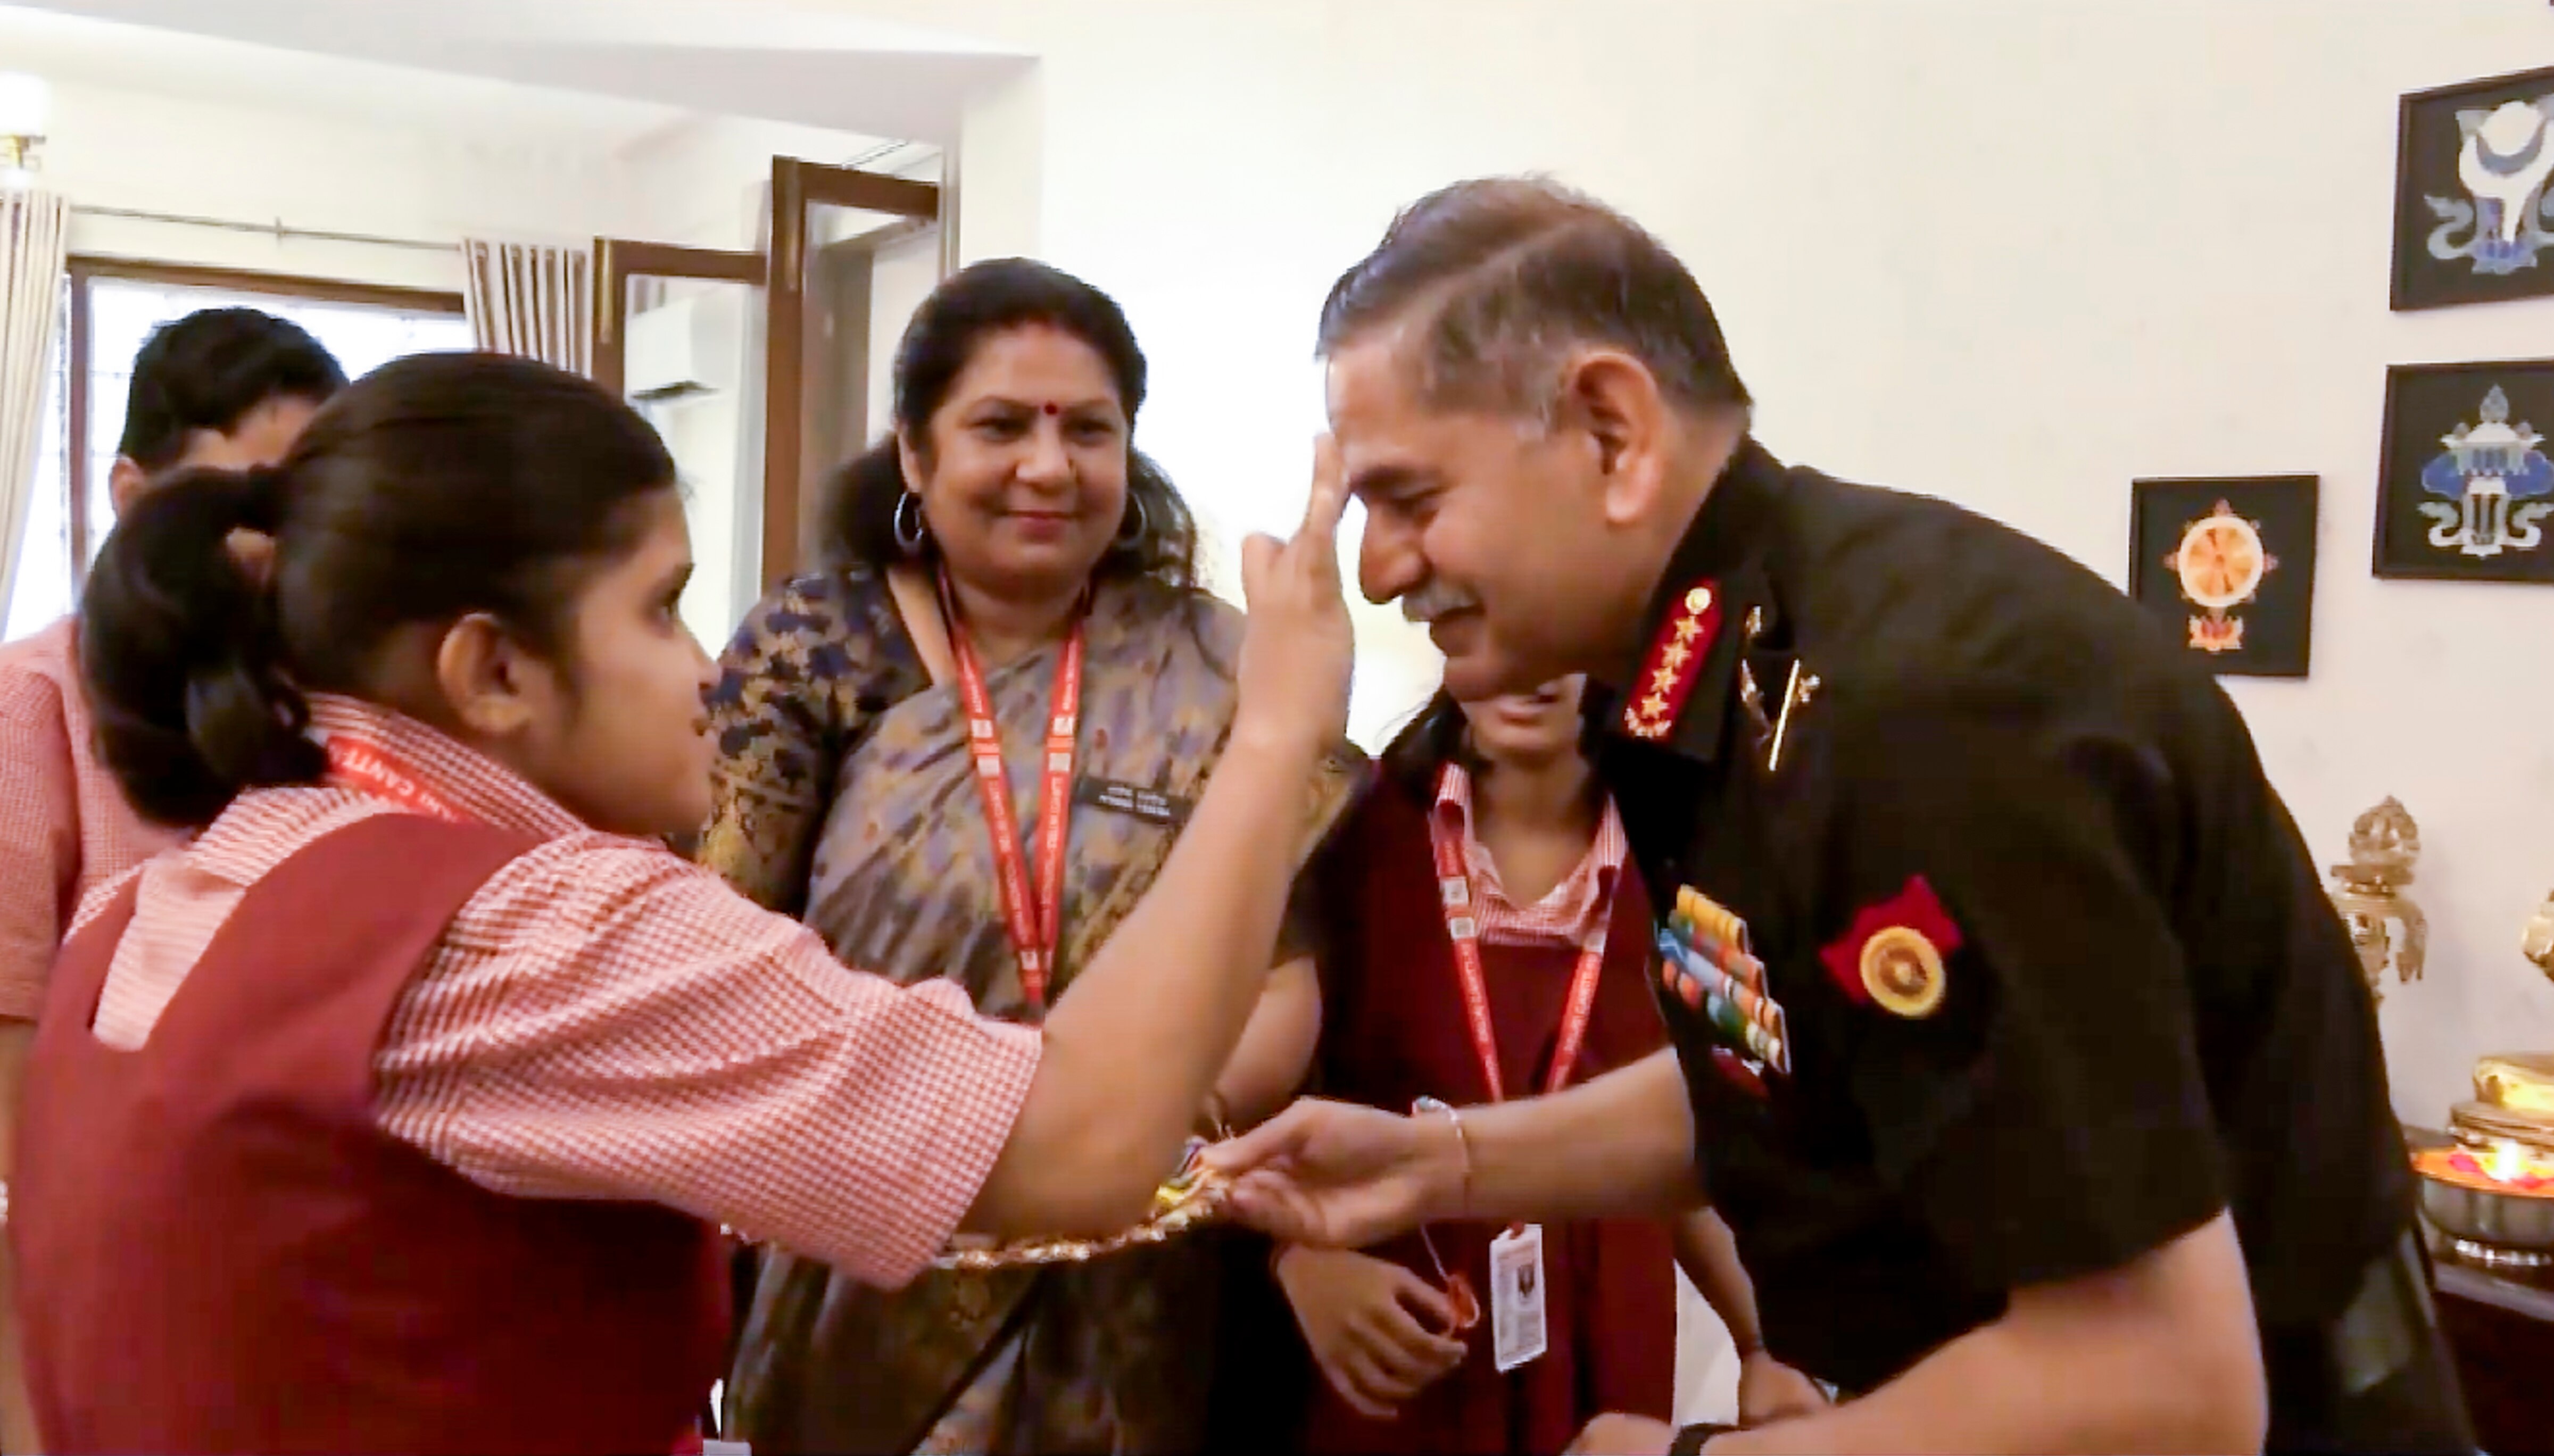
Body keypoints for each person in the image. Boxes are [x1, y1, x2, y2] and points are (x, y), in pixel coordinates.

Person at [1205, 177, 2473, 1456]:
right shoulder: (1722, 677)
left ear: (1609, 433)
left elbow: (2161, 1391)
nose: (1375, 568)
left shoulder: (1910, 723)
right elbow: (1790, 1072)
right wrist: (1446, 1164)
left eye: (1410, 500)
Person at [8, 348, 1354, 1455]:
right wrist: (1279, 732)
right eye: (661, 611)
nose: (707, 668)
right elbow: (1077, 1142)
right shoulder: (531, 925)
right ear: (492, 673)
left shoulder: (162, 893)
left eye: (1090, 429)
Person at [703, 257, 1356, 1455]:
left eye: (1089, 430)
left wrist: (1148, 1128)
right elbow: (727, 948)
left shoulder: (1219, 668)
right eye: (1000, 425)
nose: (1048, 467)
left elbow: (1283, 969)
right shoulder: (819, 646)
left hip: (1140, 1253)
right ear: (915, 452)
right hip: (871, 1227)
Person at [1270, 676, 1823, 1454]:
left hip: (1605, 1358)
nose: (1524, 664)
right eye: (1483, 616)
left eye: (1549, 631)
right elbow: (1246, 1098)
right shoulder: (1350, 830)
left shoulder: (1698, 860)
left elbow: (1713, 1126)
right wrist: (1298, 1257)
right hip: (1396, 1340)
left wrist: (1760, 1340)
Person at [0, 306, 345, 1454]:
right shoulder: (32, 706)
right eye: (249, 501)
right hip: (97, 1300)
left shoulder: (315, 702)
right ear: (134, 497)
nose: (281, 547)